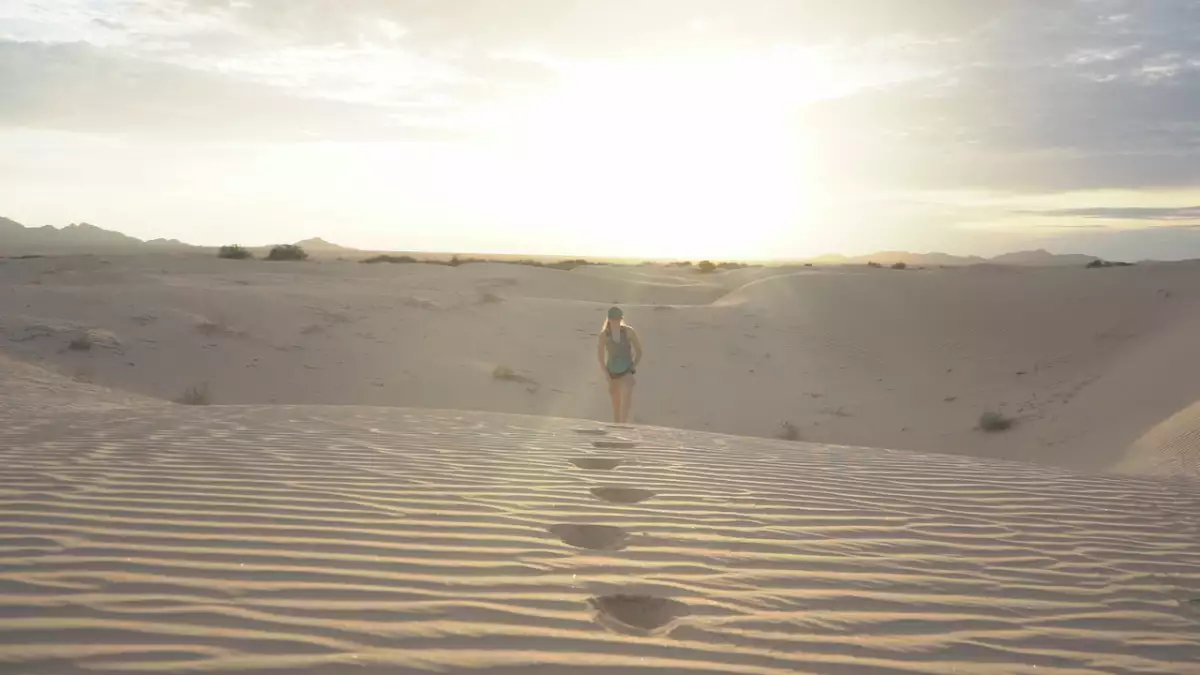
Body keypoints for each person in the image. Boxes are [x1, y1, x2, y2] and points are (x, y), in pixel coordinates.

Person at [597, 306, 643, 424]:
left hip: (626, 369)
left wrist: (633, 366)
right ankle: (617, 425)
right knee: (616, 402)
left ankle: (624, 423)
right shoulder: (604, 335)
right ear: (609, 320)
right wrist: (607, 377)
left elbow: (639, 351)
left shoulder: (628, 332)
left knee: (628, 391)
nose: (616, 322)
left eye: (618, 319)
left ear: (621, 319)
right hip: (612, 371)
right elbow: (601, 358)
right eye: (613, 319)